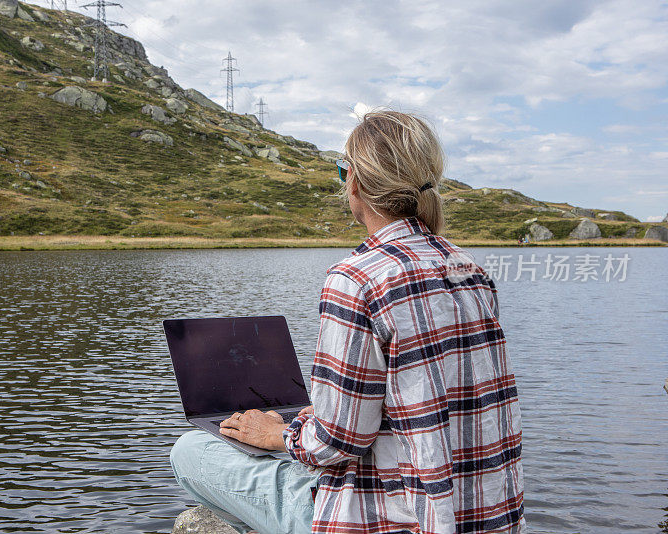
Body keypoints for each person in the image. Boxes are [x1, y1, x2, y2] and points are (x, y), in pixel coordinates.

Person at [170, 110, 525, 534]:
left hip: (397, 520)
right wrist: (309, 418)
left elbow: (339, 441)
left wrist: (280, 435)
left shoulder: (356, 278)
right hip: (487, 518)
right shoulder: (470, 269)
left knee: (190, 450)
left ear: (353, 180)